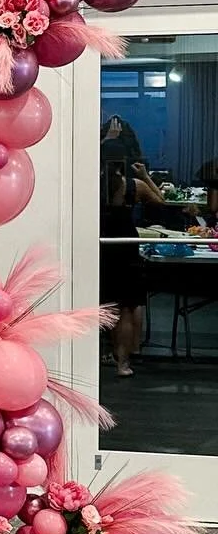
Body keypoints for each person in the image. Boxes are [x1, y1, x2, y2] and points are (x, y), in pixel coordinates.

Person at [100, 133, 167, 376]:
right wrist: (145, 176)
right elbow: (160, 202)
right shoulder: (133, 186)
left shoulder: (93, 186)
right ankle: (123, 364)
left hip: (102, 249)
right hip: (126, 250)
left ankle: (100, 355)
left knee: (105, 307)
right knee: (127, 309)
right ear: (124, 161)